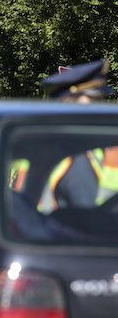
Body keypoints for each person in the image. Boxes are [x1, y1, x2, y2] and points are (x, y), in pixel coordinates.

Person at [36, 59, 118, 212]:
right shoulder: (77, 161)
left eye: (102, 101)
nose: (102, 110)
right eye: (93, 102)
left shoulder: (50, 146)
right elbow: (95, 224)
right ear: (68, 103)